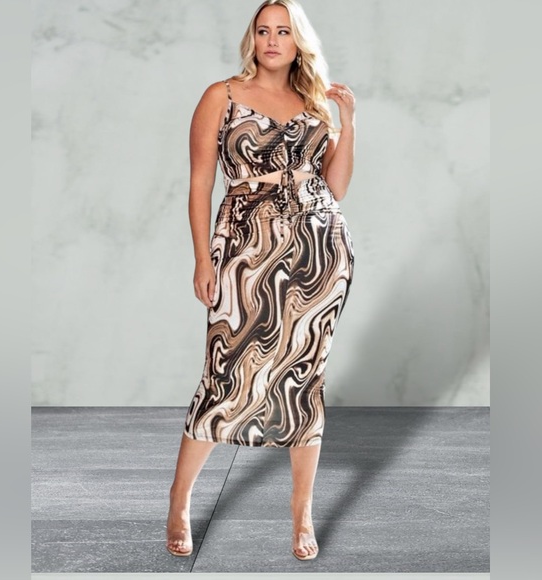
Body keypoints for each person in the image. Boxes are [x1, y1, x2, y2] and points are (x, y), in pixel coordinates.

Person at [166, 0, 355, 561]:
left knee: (303, 379)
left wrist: (349, 124)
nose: (273, 40)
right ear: (254, 38)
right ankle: (180, 501)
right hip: (245, 251)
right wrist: (203, 260)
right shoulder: (221, 95)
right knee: (224, 375)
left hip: (318, 250)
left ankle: (302, 514)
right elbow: (201, 183)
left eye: (284, 31)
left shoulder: (314, 102)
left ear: (299, 41)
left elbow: (337, 188)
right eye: (264, 30)